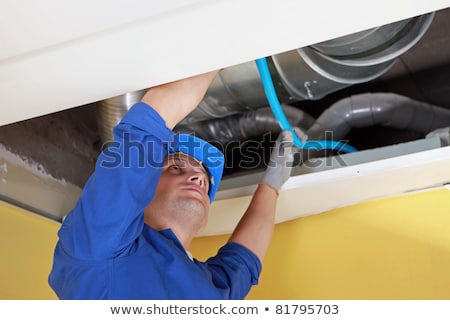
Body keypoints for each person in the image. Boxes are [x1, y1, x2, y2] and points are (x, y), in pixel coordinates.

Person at [48, 70, 296, 299]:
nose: (199, 178)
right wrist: (271, 185)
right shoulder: (211, 292)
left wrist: (223, 48)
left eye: (174, 168)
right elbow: (244, 260)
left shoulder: (101, 242)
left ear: (141, 187)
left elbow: (146, 128)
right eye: (178, 167)